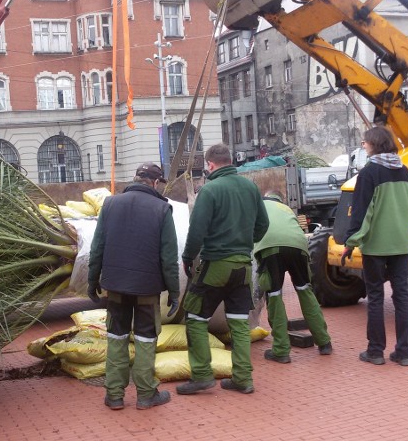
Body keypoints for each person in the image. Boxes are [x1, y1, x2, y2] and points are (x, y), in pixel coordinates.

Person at [176, 144, 269, 395]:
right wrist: (246, 242)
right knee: (239, 323)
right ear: (230, 161)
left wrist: (187, 257)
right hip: (243, 268)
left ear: (210, 165)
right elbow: (263, 224)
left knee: (195, 317)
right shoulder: (250, 187)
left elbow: (196, 231)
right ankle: (243, 378)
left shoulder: (209, 190)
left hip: (215, 265)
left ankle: (202, 375)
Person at [87, 162, 180, 410]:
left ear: (136, 178)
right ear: (155, 182)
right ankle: (146, 394)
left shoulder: (110, 204)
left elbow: (97, 247)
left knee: (116, 337)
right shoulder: (162, 208)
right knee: (145, 339)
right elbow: (169, 257)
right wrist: (174, 291)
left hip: (115, 287)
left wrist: (92, 279)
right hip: (147, 289)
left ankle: (114, 396)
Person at [341, 126, 408, 367]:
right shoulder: (406, 172)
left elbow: (361, 212)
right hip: (401, 243)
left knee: (375, 297)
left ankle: (375, 351)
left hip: (375, 245)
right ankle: (404, 352)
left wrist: (350, 242)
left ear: (373, 144)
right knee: (402, 295)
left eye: (365, 142)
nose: (363, 146)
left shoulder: (369, 173)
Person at [254, 191, 332, 364]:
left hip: (270, 248)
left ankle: (281, 350)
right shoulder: (287, 209)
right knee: (305, 291)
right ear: (280, 199)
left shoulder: (258, 206)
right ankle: (324, 343)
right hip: (298, 246)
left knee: (274, 296)